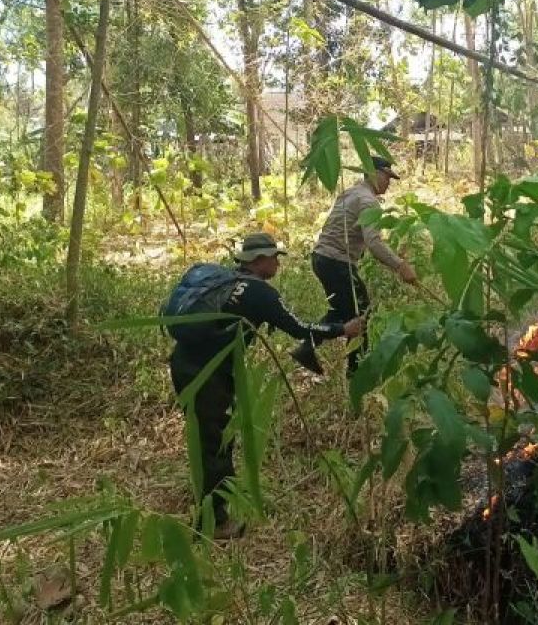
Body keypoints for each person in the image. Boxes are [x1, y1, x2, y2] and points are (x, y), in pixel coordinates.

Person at [165, 232, 365, 539]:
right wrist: (342, 328)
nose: (277, 263)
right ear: (259, 261)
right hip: (209, 373)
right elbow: (298, 327)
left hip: (185, 364)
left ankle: (215, 507)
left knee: (209, 438)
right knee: (214, 442)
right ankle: (213, 522)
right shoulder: (259, 293)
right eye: (273, 257)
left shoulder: (228, 281)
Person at [291, 156, 417, 375]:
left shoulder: (351, 192)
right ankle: (357, 370)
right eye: (386, 177)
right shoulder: (368, 201)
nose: (389, 182)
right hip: (337, 262)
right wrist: (400, 266)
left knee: (343, 310)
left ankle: (308, 348)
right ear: (373, 174)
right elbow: (374, 243)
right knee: (360, 313)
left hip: (321, 258)